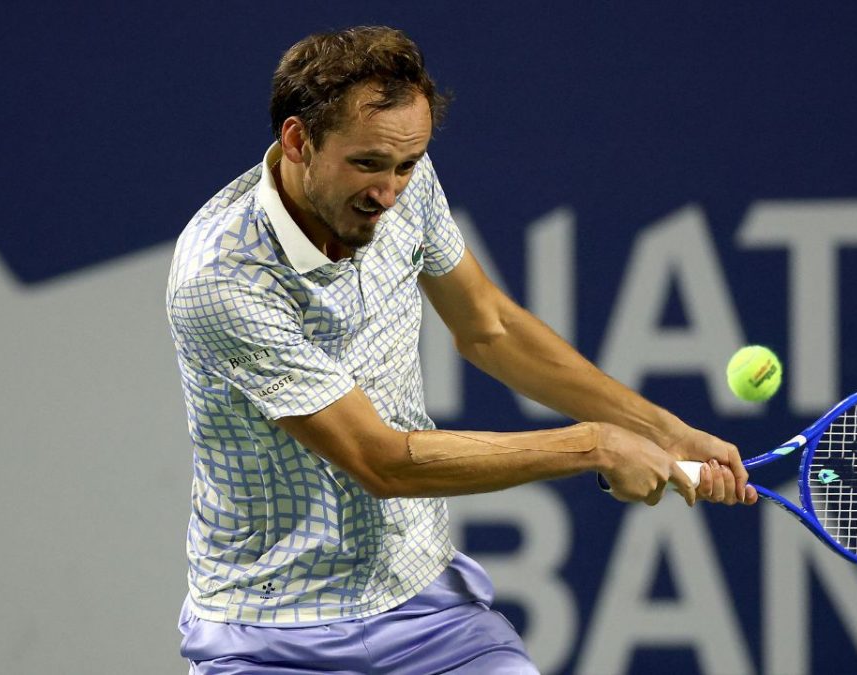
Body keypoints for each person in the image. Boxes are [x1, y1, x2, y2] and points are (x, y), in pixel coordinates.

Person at [166, 25, 758, 674]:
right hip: (272, 634)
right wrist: (596, 443)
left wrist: (660, 427)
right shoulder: (223, 277)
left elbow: (488, 328)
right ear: (298, 141)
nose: (388, 192)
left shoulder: (400, 176)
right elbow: (381, 461)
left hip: (424, 607)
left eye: (407, 164)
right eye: (366, 164)